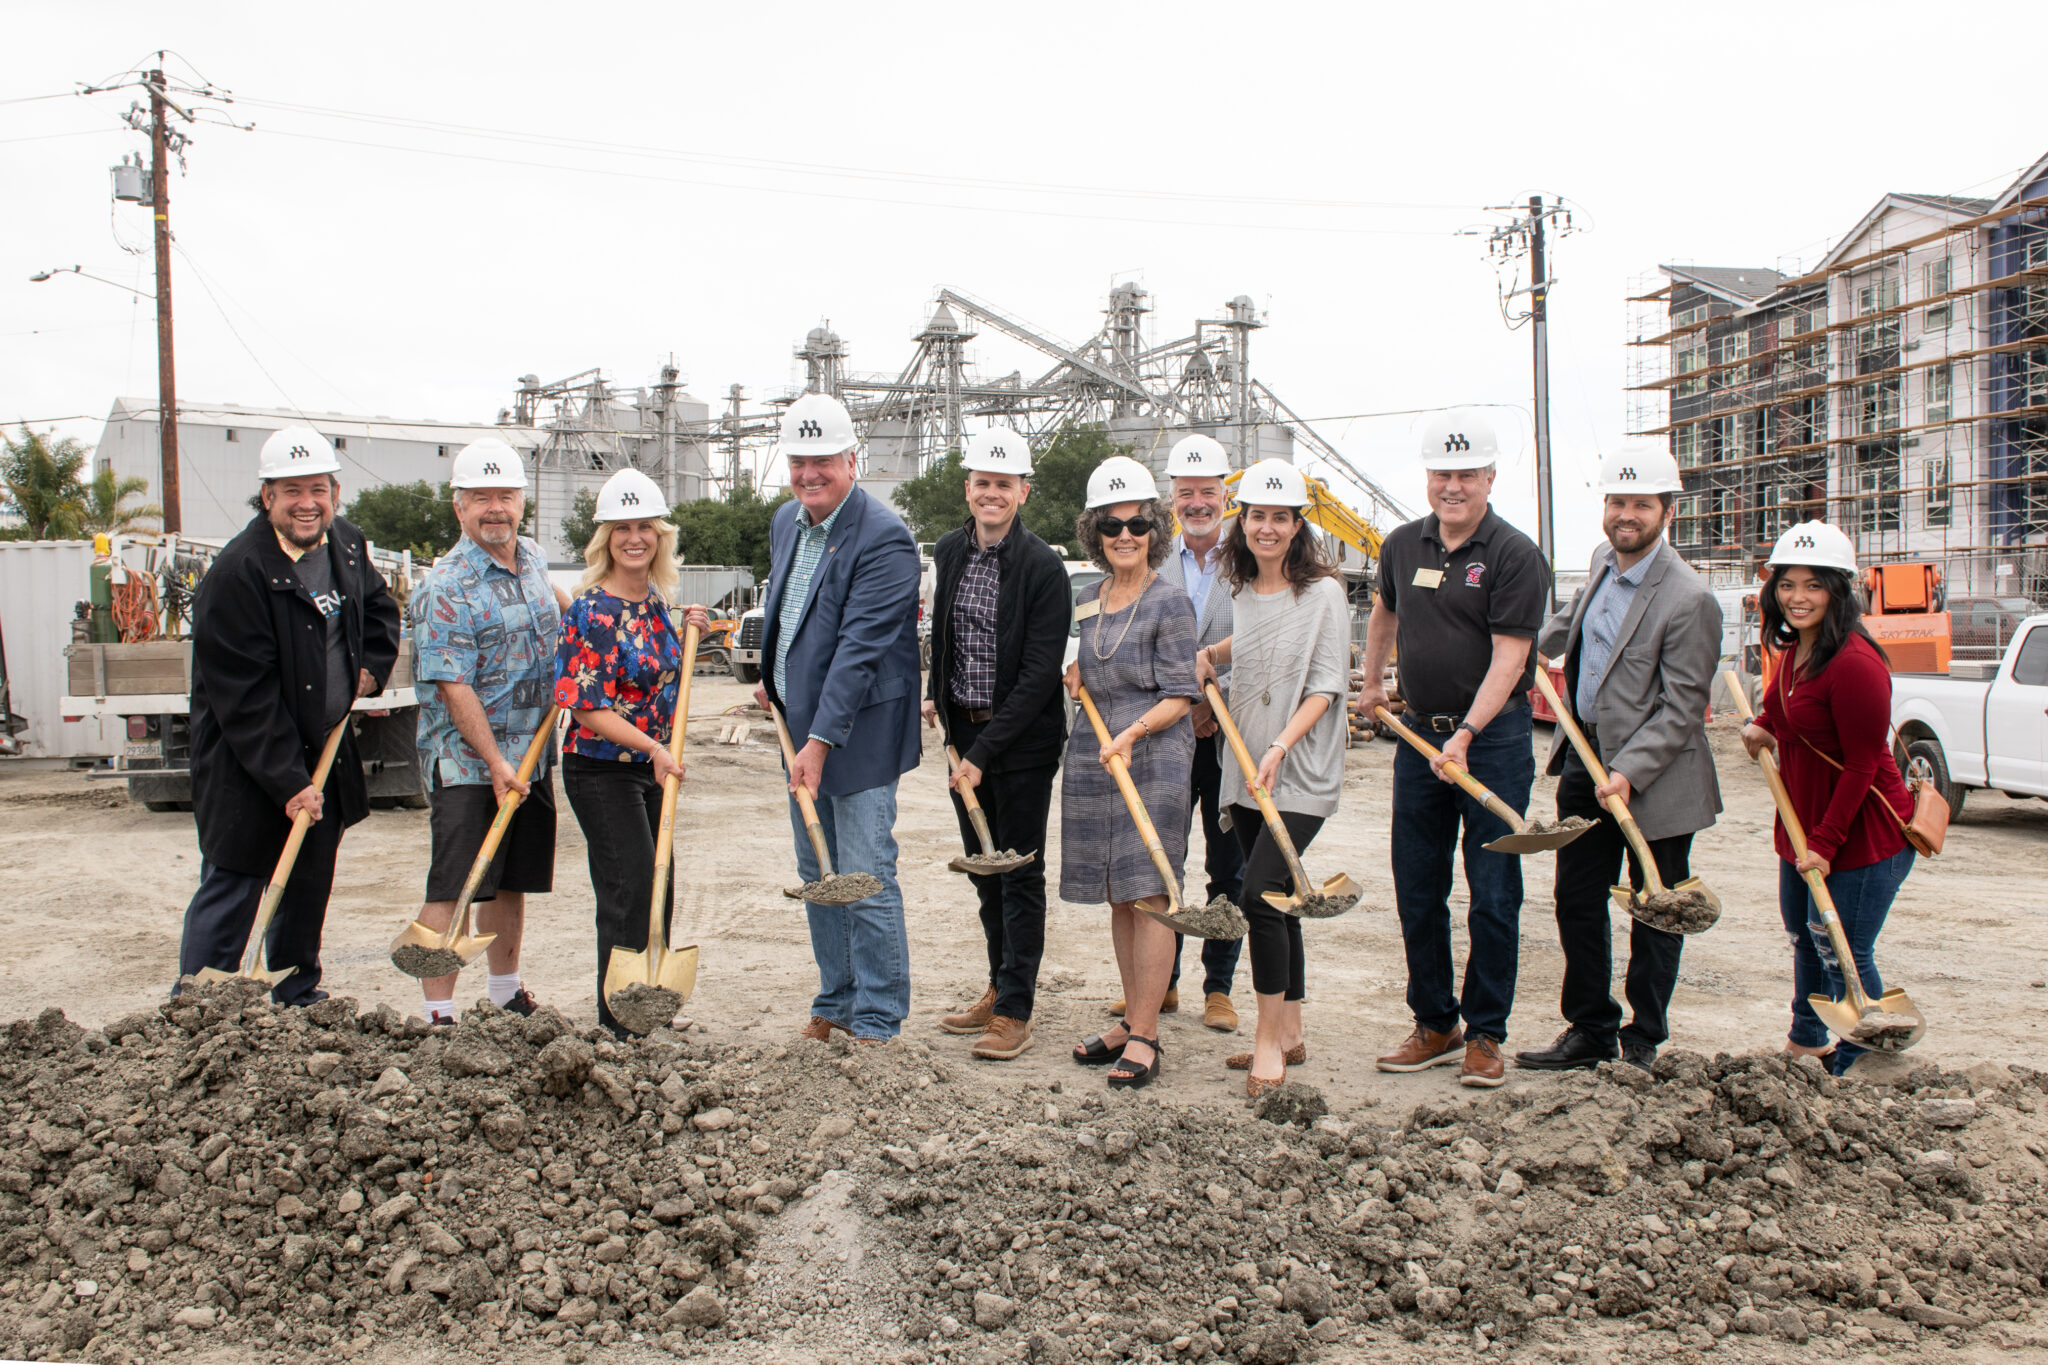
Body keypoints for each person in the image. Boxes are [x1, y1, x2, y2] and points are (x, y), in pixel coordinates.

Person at [1357, 409, 1550, 1088]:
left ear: (1490, 477)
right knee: (1418, 884)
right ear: (1429, 477)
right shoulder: (1404, 545)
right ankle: (1436, 1021)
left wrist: (1466, 734)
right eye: (1443, 473)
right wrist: (1375, 678)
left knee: (1493, 890)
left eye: (1467, 474)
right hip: (1418, 737)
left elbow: (1511, 656)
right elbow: (1384, 608)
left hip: (1491, 741)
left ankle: (1487, 1033)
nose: (1454, 486)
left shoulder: (1514, 554)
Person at [1515, 446, 1722, 1075]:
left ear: (1668, 510)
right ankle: (1590, 1028)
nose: (1625, 515)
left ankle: (1642, 1041)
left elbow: (1683, 707)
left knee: (1656, 907)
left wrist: (1629, 772)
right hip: (1584, 753)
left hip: (1654, 778)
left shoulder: (1690, 599)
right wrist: (1511, 651)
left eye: (1640, 504)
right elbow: (1569, 625)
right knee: (1576, 896)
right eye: (1617, 502)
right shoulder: (1604, 560)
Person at [177, 426, 401, 1003]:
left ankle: (297, 994)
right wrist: (289, 783)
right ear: (267, 495)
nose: (308, 503)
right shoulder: (238, 574)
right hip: (247, 760)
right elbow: (245, 701)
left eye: (318, 489)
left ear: (336, 492)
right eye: (292, 490)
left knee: (307, 880)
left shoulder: (345, 545)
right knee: (238, 876)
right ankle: (200, 1003)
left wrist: (370, 670)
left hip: (322, 747)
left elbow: (379, 609)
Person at [758, 393, 924, 1044]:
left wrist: (820, 739)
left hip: (855, 735)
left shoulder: (884, 538)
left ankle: (877, 1019)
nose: (808, 475)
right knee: (817, 872)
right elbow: (794, 617)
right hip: (798, 731)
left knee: (864, 874)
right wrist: (775, 684)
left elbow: (857, 650)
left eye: (822, 461)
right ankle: (837, 998)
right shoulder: (786, 522)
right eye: (798, 462)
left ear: (852, 460)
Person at [1192, 459, 1350, 1098]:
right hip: (1246, 765)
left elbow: (1327, 683)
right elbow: (1257, 643)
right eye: (1257, 515)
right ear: (1243, 522)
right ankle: (1291, 1030)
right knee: (1280, 900)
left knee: (1259, 895)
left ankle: (1264, 1044)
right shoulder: (1236, 591)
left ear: (1296, 525)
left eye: (1279, 517)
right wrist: (1211, 657)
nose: (1267, 527)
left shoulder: (1327, 594)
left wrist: (1282, 746)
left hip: (1298, 768)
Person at [1740, 520, 1916, 1076]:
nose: (1798, 597)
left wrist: (1825, 843)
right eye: (1788, 585)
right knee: (1804, 937)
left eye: (1814, 585)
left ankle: (1866, 1060)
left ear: (1840, 591)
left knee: (1843, 949)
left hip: (1862, 836)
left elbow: (1863, 764)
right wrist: (1762, 726)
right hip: (1804, 827)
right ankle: (1806, 1041)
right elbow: (1782, 708)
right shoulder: (1799, 651)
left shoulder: (1856, 665)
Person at [924, 426, 1072, 1061]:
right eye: (982, 483)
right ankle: (996, 985)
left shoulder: (1042, 567)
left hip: (1022, 744)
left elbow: (1041, 674)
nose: (992, 493)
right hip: (966, 738)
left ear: (1023, 492)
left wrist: (984, 756)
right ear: (968, 488)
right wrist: (946, 718)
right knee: (984, 874)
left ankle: (1016, 1008)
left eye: (1003, 484)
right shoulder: (951, 552)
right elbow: (940, 637)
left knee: (1018, 872)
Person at [407, 439, 567, 1025]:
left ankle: (504, 993)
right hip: (470, 764)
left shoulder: (532, 557)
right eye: (482, 498)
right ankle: (438, 1013)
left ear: (522, 500)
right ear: (459, 506)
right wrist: (496, 761)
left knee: (510, 883)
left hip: (531, 754)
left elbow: (553, 608)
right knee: (454, 884)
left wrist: (587, 625)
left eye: (505, 495)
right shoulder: (444, 586)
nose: (495, 507)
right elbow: (453, 687)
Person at [1061, 455, 1200, 1090]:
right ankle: (1131, 1017)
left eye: (1137, 525)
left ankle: (1145, 1033)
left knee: (1151, 893)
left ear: (1154, 530)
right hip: (1097, 749)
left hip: (1153, 751)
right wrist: (1076, 678)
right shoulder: (1088, 600)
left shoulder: (1170, 601)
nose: (1125, 536)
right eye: (1112, 526)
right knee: (1119, 892)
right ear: (1095, 532)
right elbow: (1088, 666)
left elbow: (1181, 693)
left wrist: (1132, 733)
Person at [553, 468, 688, 1040]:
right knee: (628, 889)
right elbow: (584, 707)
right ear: (604, 538)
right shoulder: (589, 612)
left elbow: (665, 681)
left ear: (660, 536)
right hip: (600, 768)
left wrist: (688, 629)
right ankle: (617, 1025)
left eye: (645, 527)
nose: (635, 537)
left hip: (649, 769)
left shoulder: (656, 605)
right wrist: (655, 747)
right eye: (622, 528)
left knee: (661, 887)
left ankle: (644, 1007)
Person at [1143, 432, 1246, 1034]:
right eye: (1187, 493)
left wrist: (1216, 701)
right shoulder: (1156, 561)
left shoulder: (1252, 558)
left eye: (1208, 491)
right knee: (1165, 862)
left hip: (1232, 738)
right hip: (1168, 739)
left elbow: (1264, 644)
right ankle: (1164, 984)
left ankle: (1219, 986)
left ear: (1225, 493)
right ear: (1172, 498)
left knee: (1226, 868)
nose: (1198, 503)